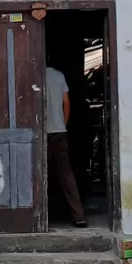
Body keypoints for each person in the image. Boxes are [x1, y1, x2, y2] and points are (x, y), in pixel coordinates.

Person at [45, 64, 86, 227]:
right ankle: (78, 215)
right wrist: (63, 124)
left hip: (41, 133)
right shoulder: (59, 76)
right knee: (65, 174)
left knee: (39, 174)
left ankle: (37, 217)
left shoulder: (34, 75)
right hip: (59, 132)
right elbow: (66, 103)